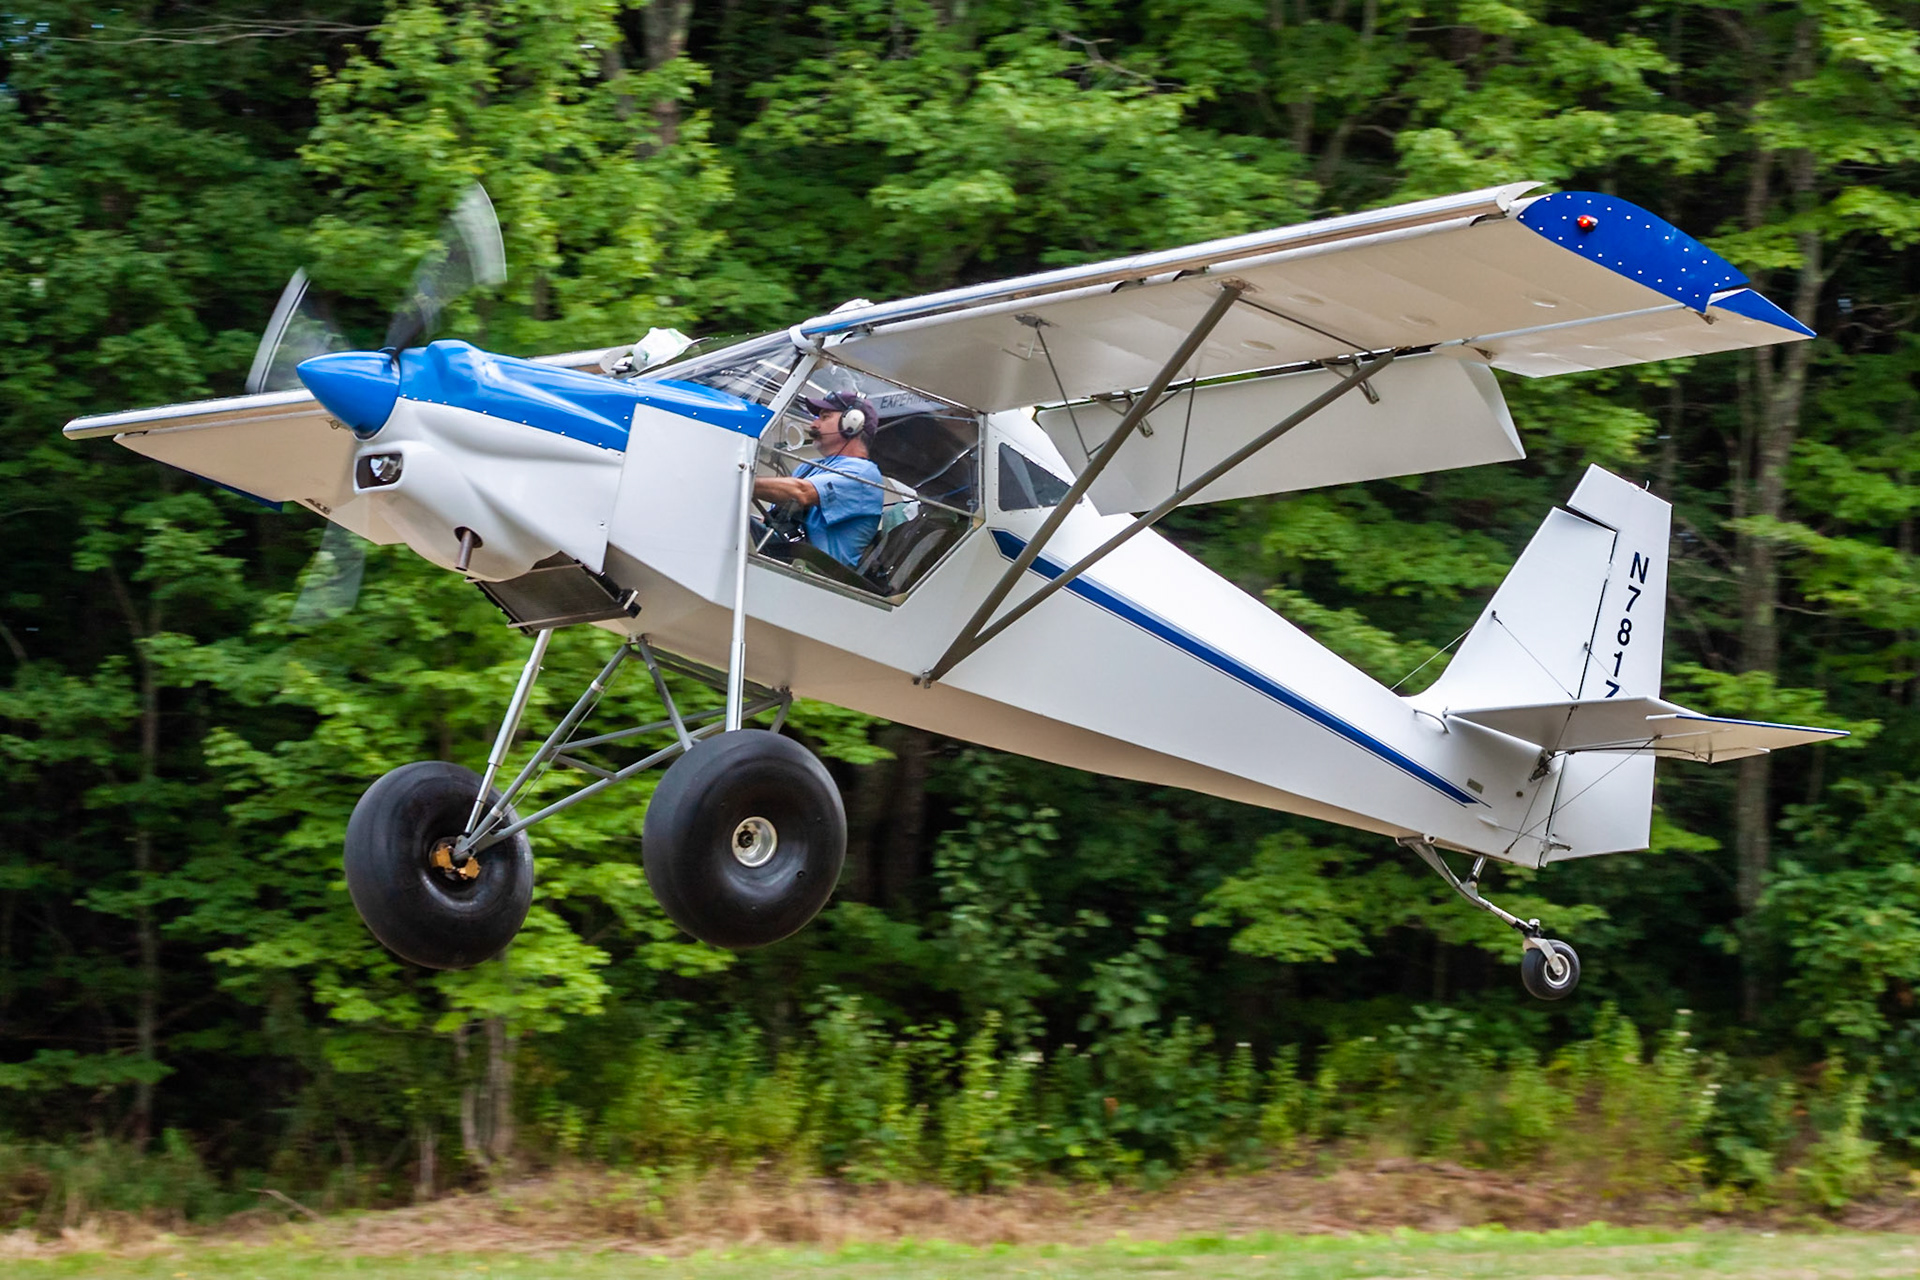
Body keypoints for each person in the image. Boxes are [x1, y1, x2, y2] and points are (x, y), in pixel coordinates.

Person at [753, 392, 885, 568]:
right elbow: (772, 519)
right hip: (784, 556)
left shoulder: (864, 474)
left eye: (824, 417)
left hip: (815, 573)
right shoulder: (809, 467)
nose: (813, 424)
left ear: (852, 423)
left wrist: (739, 477)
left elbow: (801, 493)